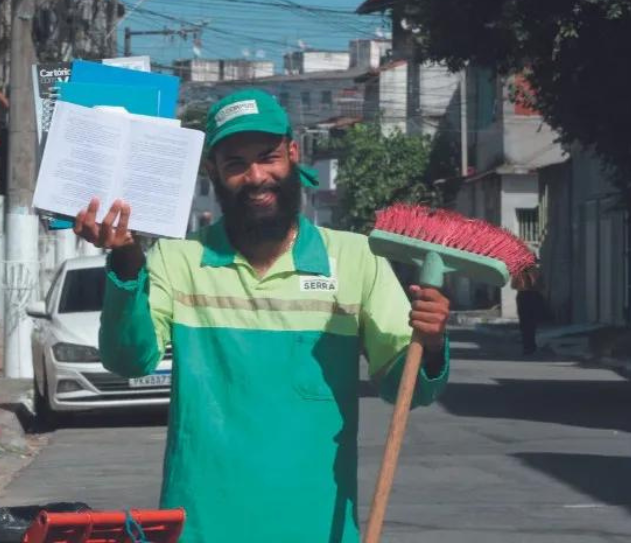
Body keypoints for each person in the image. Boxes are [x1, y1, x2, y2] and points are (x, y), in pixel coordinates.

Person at [73, 89, 451, 543]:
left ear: (293, 153)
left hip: (320, 529)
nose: (256, 177)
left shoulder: (356, 259)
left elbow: (403, 384)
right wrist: (127, 261)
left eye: (268, 157)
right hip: (202, 528)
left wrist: (429, 344)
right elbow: (129, 360)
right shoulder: (178, 260)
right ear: (212, 171)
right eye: (236, 164)